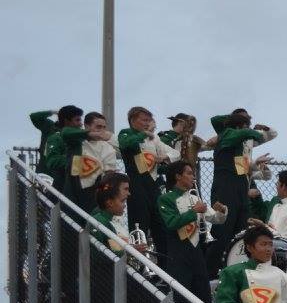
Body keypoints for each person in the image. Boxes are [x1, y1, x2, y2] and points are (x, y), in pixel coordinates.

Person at [205, 110, 278, 274]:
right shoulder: (228, 134)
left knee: (241, 234)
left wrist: (256, 164)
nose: (248, 128)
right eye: (246, 124)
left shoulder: (239, 145)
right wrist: (243, 125)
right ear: (239, 126)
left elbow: (241, 169)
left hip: (240, 192)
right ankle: (210, 273)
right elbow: (216, 119)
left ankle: (237, 271)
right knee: (222, 233)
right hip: (225, 191)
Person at [158, 160, 226, 303]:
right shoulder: (166, 198)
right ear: (178, 176)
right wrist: (194, 211)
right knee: (180, 294)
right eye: (189, 173)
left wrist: (221, 211)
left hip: (197, 250)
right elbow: (171, 223)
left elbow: (215, 218)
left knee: (203, 291)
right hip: (178, 252)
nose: (193, 177)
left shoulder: (195, 198)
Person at [118, 106, 179, 257]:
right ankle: (137, 263)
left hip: (154, 185)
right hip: (136, 185)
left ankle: (164, 264)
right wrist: (143, 134)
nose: (147, 123)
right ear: (133, 120)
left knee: (160, 225)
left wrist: (163, 158)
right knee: (139, 225)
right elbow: (126, 144)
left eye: (149, 120)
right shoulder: (126, 133)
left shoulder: (154, 138)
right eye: (144, 120)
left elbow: (175, 153)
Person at [214, 225, 287, 303]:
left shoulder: (280, 273)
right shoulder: (233, 272)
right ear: (249, 248)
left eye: (270, 245)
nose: (269, 249)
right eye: (263, 244)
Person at [65, 112, 118, 211]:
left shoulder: (107, 147)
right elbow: (65, 133)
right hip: (72, 187)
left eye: (104, 127)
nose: (101, 131)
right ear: (86, 126)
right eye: (98, 127)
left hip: (95, 191)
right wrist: (88, 134)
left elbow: (110, 173)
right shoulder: (76, 141)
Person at [158, 112, 214, 176]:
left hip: (188, 175)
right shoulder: (164, 138)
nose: (190, 127)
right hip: (170, 175)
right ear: (180, 122)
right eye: (188, 123)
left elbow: (208, 146)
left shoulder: (191, 139)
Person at [30, 106, 82, 175]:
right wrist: (53, 112)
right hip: (45, 172)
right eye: (77, 120)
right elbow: (34, 116)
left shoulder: (79, 134)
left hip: (67, 174)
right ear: (66, 120)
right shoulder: (50, 127)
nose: (81, 124)